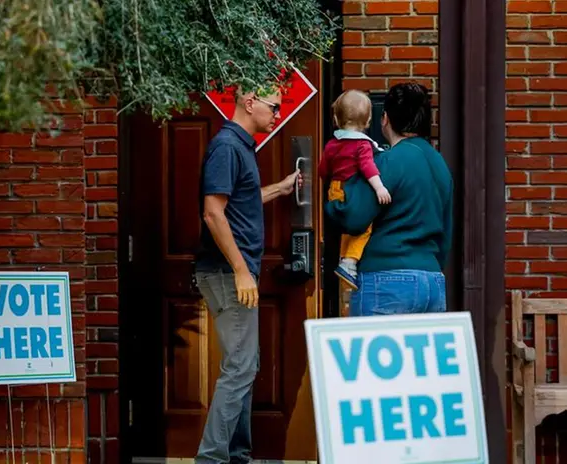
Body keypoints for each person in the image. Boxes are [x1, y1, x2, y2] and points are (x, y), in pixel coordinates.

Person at [193, 86, 301, 464]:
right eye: (274, 106)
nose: (277, 114)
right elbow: (213, 212)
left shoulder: (240, 147)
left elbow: (239, 200)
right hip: (226, 273)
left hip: (233, 272)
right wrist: (241, 271)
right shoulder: (226, 146)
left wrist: (280, 189)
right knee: (240, 366)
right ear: (249, 102)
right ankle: (212, 459)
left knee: (245, 365)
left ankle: (237, 455)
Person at [325, 82, 453, 316]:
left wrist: (332, 203)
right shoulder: (440, 164)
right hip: (433, 279)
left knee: (371, 353)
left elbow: (354, 217)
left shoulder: (386, 162)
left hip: (387, 278)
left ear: (384, 119)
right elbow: (446, 231)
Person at [318, 89, 391, 290]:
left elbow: (323, 169)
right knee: (364, 227)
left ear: (335, 118)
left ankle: (344, 262)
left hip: (335, 190)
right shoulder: (362, 145)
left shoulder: (332, 144)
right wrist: (379, 188)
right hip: (353, 192)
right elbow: (368, 167)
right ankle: (349, 262)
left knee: (346, 229)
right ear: (368, 121)